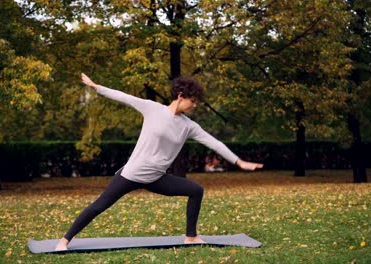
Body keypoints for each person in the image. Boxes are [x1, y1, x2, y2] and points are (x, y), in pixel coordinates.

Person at [55, 73, 263, 250]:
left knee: (196, 190)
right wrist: (96, 87)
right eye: (193, 100)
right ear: (181, 96)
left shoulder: (188, 126)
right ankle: (65, 240)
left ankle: (191, 236)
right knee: (99, 206)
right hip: (131, 174)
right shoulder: (152, 109)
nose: (195, 105)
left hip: (156, 178)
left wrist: (239, 162)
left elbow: (213, 142)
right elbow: (123, 97)